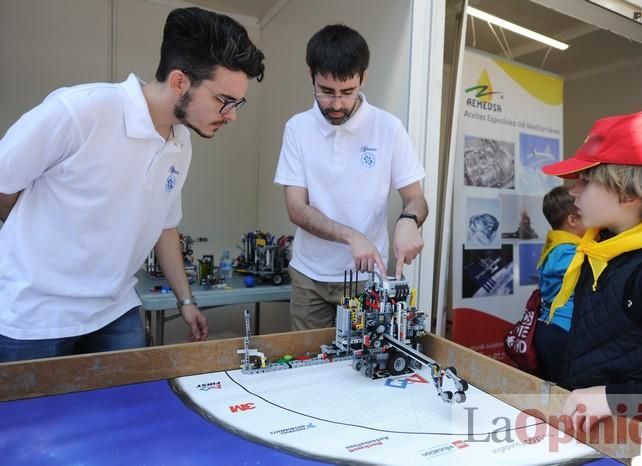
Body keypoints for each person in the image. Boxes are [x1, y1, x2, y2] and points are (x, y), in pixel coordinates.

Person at [0, 7, 265, 362]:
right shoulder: (80, 112)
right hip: (35, 317)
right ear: (179, 82)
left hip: (114, 312)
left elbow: (165, 226)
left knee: (127, 412)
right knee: (31, 419)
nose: (231, 114)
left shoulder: (180, 142)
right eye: (224, 100)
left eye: (237, 103)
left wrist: (186, 301)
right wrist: (42, 236)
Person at [541, 112, 642, 434]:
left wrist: (616, 399)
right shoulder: (601, 249)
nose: (572, 191)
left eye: (585, 179)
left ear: (628, 192)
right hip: (599, 437)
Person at [274, 24, 428, 330]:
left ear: (363, 78)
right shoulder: (297, 128)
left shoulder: (389, 128)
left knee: (365, 365)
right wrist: (351, 236)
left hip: (366, 279)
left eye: (347, 92)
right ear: (311, 75)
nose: (337, 104)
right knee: (310, 366)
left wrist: (409, 221)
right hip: (309, 278)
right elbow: (297, 208)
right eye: (326, 91)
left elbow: (416, 198)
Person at [533, 186, 587, 383]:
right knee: (564, 390)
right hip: (563, 331)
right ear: (572, 220)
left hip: (549, 327)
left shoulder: (555, 246)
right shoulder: (570, 253)